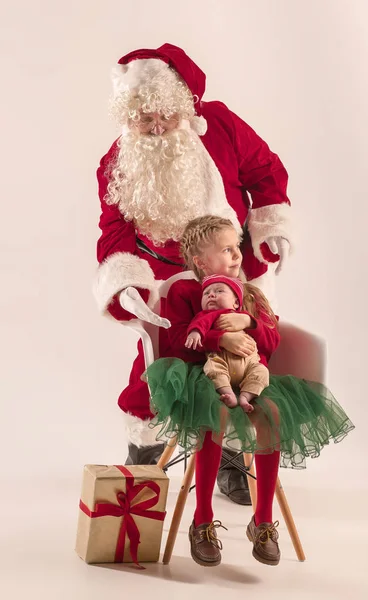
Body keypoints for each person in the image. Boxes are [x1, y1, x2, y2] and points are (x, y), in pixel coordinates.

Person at [94, 43, 294, 504]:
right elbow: (113, 228)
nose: (157, 126)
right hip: (166, 281)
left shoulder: (221, 125)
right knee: (158, 365)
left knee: (248, 361)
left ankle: (233, 461)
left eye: (165, 113)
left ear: (184, 106)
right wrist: (125, 281)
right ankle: (143, 456)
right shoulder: (116, 162)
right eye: (144, 119)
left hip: (233, 269)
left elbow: (265, 171)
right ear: (128, 119)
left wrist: (271, 225)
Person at [145, 215, 354, 567]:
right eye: (226, 249)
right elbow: (178, 341)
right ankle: (203, 519)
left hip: (252, 377)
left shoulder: (251, 293)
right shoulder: (184, 292)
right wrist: (219, 337)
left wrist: (249, 322)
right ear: (200, 261)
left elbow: (272, 341)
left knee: (271, 414)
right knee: (217, 413)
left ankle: (262, 521)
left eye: (237, 246)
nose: (237, 255)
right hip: (204, 377)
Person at [185, 275, 271, 413]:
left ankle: (245, 396)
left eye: (219, 291)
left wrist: (249, 321)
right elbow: (199, 324)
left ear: (236, 303)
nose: (211, 295)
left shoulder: (243, 316)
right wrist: (195, 332)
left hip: (249, 363)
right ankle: (229, 393)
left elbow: (267, 335)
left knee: (262, 372)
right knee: (213, 368)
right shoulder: (207, 315)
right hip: (221, 360)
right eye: (206, 293)